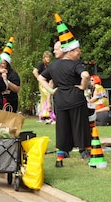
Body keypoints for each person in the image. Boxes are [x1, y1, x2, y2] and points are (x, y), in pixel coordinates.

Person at [38, 15, 91, 166]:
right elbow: (86, 75)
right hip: (76, 98)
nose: (79, 52)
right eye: (77, 50)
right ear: (69, 51)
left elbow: (40, 78)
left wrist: (51, 90)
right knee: (80, 126)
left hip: (60, 99)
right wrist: (83, 86)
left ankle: (60, 157)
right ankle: (84, 151)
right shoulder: (76, 64)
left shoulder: (53, 65)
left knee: (62, 128)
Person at [0, 38, 21, 113]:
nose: (1, 65)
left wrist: (7, 81)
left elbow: (17, 89)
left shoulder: (13, 74)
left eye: (3, 63)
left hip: (11, 100)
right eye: (0, 63)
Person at [33, 50, 54, 123]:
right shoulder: (41, 64)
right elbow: (35, 71)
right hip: (43, 83)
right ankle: (44, 114)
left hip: (48, 83)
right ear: (44, 57)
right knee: (46, 95)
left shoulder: (48, 65)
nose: (48, 59)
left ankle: (46, 114)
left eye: (49, 57)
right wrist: (39, 79)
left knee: (46, 97)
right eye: (47, 57)